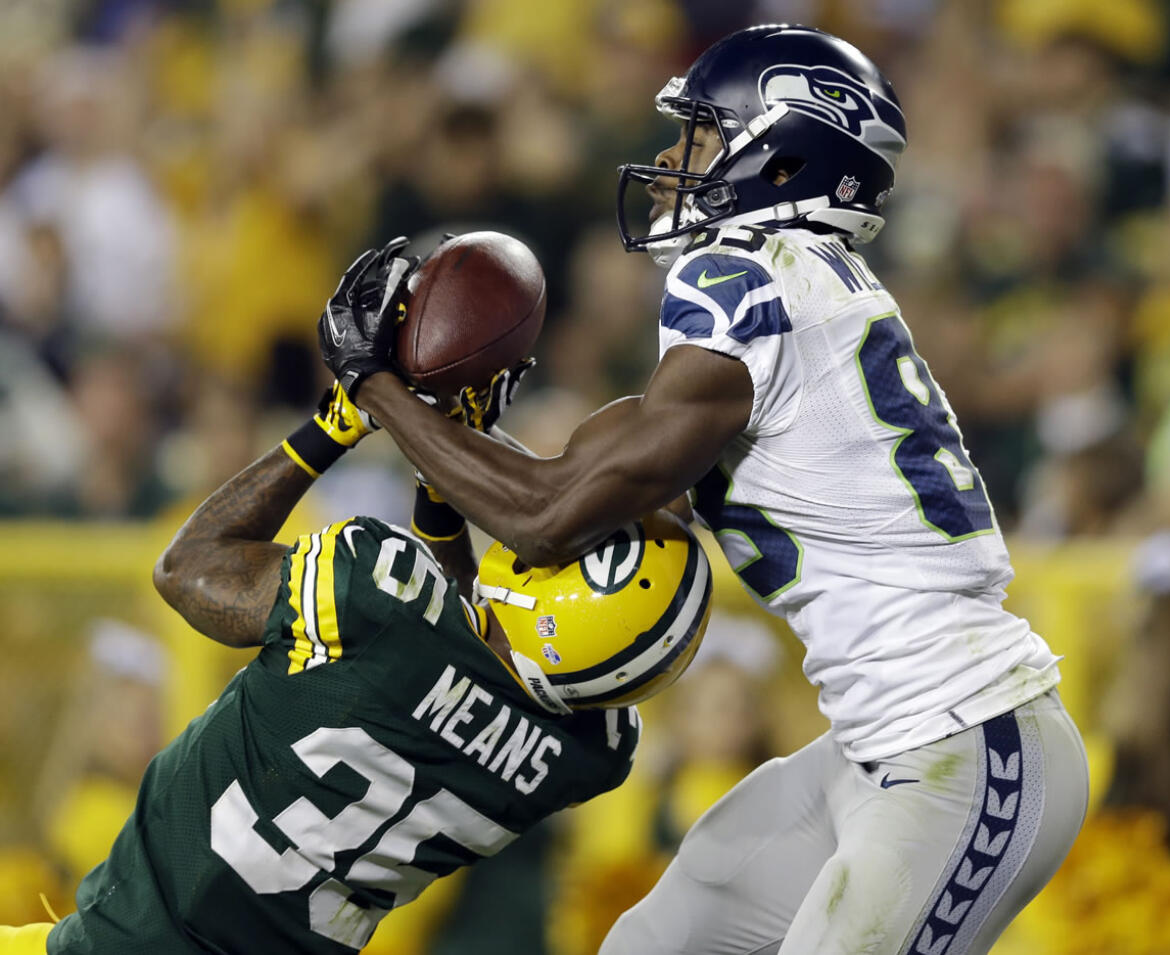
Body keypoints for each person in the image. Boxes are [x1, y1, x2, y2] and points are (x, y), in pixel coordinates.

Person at [319, 25, 1090, 955]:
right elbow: (563, 489)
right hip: (880, 744)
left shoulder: (745, 281)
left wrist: (375, 387)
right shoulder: (798, 289)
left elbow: (550, 518)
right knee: (652, 942)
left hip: (969, 744)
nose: (671, 159)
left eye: (700, 135)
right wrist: (460, 436)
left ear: (783, 154)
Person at [0, 250, 713, 955]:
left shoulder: (370, 591)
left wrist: (343, 416)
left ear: (554, 599)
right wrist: (442, 469)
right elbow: (468, 648)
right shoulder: (592, 751)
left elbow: (188, 566)